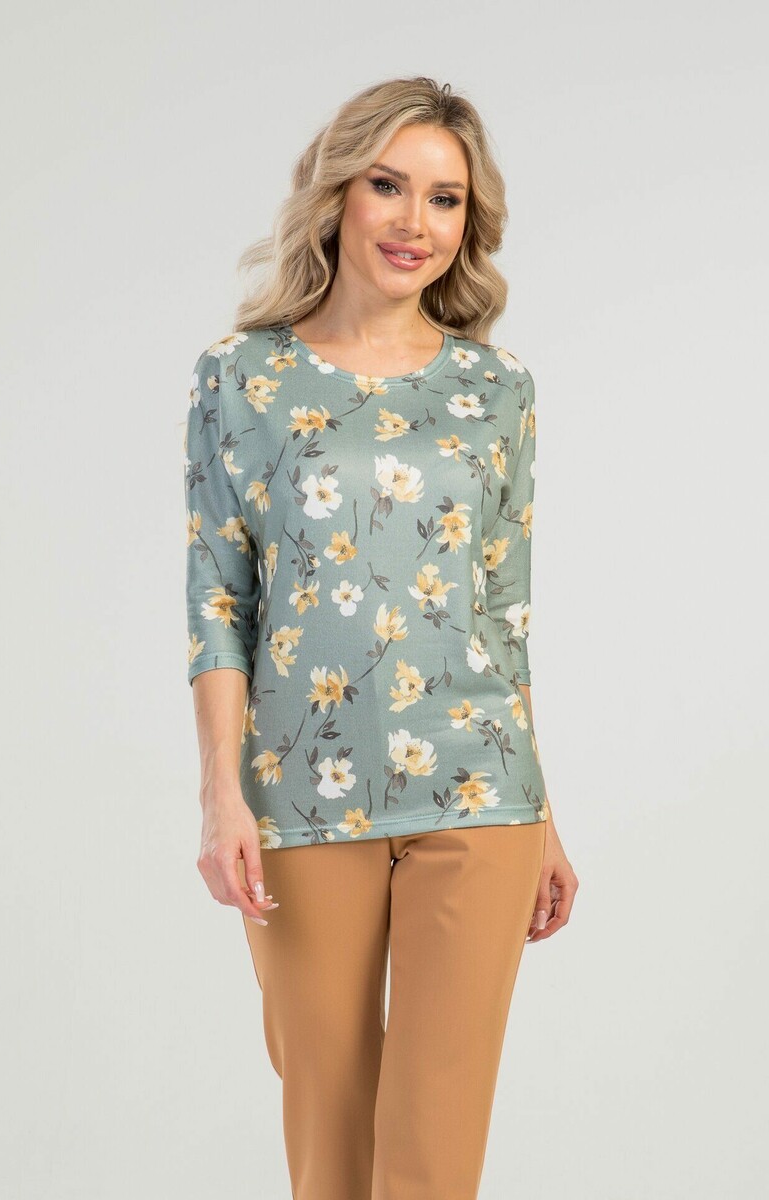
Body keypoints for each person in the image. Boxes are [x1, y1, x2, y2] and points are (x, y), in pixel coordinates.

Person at [184, 75, 579, 1200]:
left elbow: (503, 614)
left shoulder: (497, 388)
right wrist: (221, 798)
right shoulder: (241, 375)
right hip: (300, 796)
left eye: (445, 199)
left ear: (469, 222)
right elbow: (218, 601)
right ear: (337, 195)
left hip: (481, 798)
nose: (415, 223)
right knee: (330, 1137)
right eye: (388, 186)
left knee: (434, 1155)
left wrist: (545, 815)